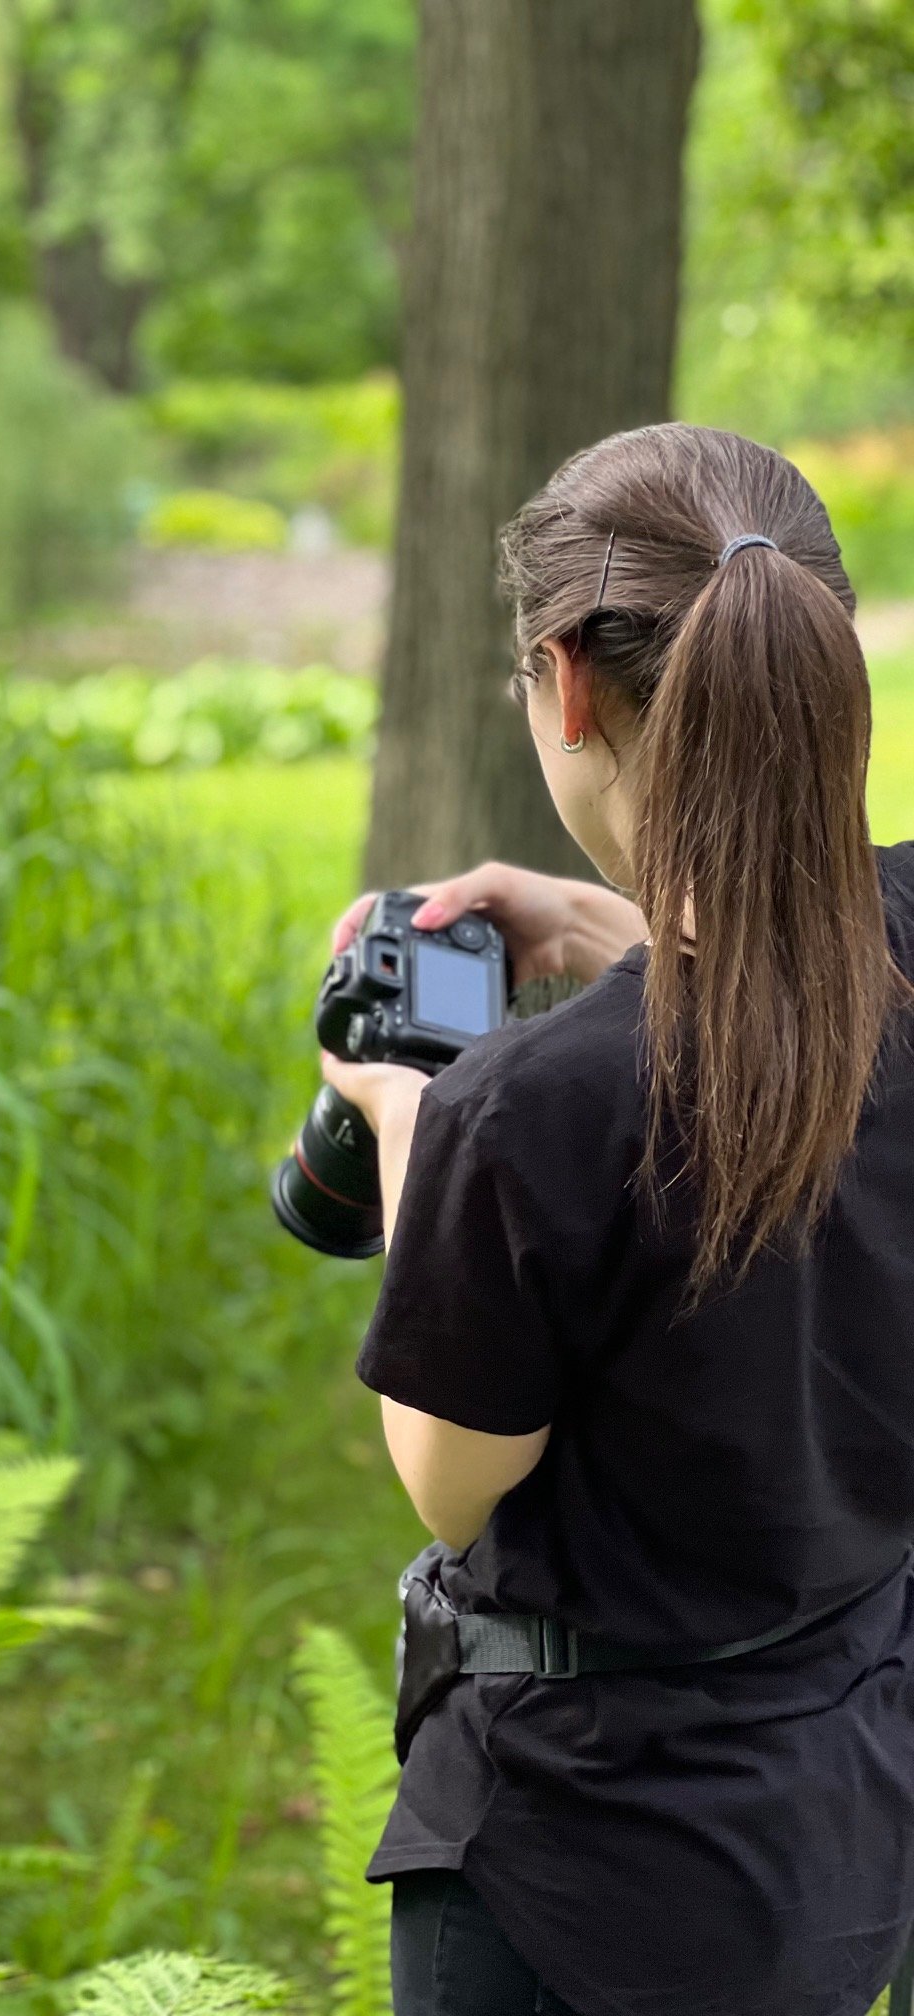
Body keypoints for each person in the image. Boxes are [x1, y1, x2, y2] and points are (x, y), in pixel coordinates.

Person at [322, 422, 914, 2016]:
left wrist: (400, 1115)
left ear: (566, 685)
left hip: (584, 1875)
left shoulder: (533, 1112)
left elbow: (449, 1481)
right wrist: (610, 923)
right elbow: (790, 964)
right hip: (844, 1808)